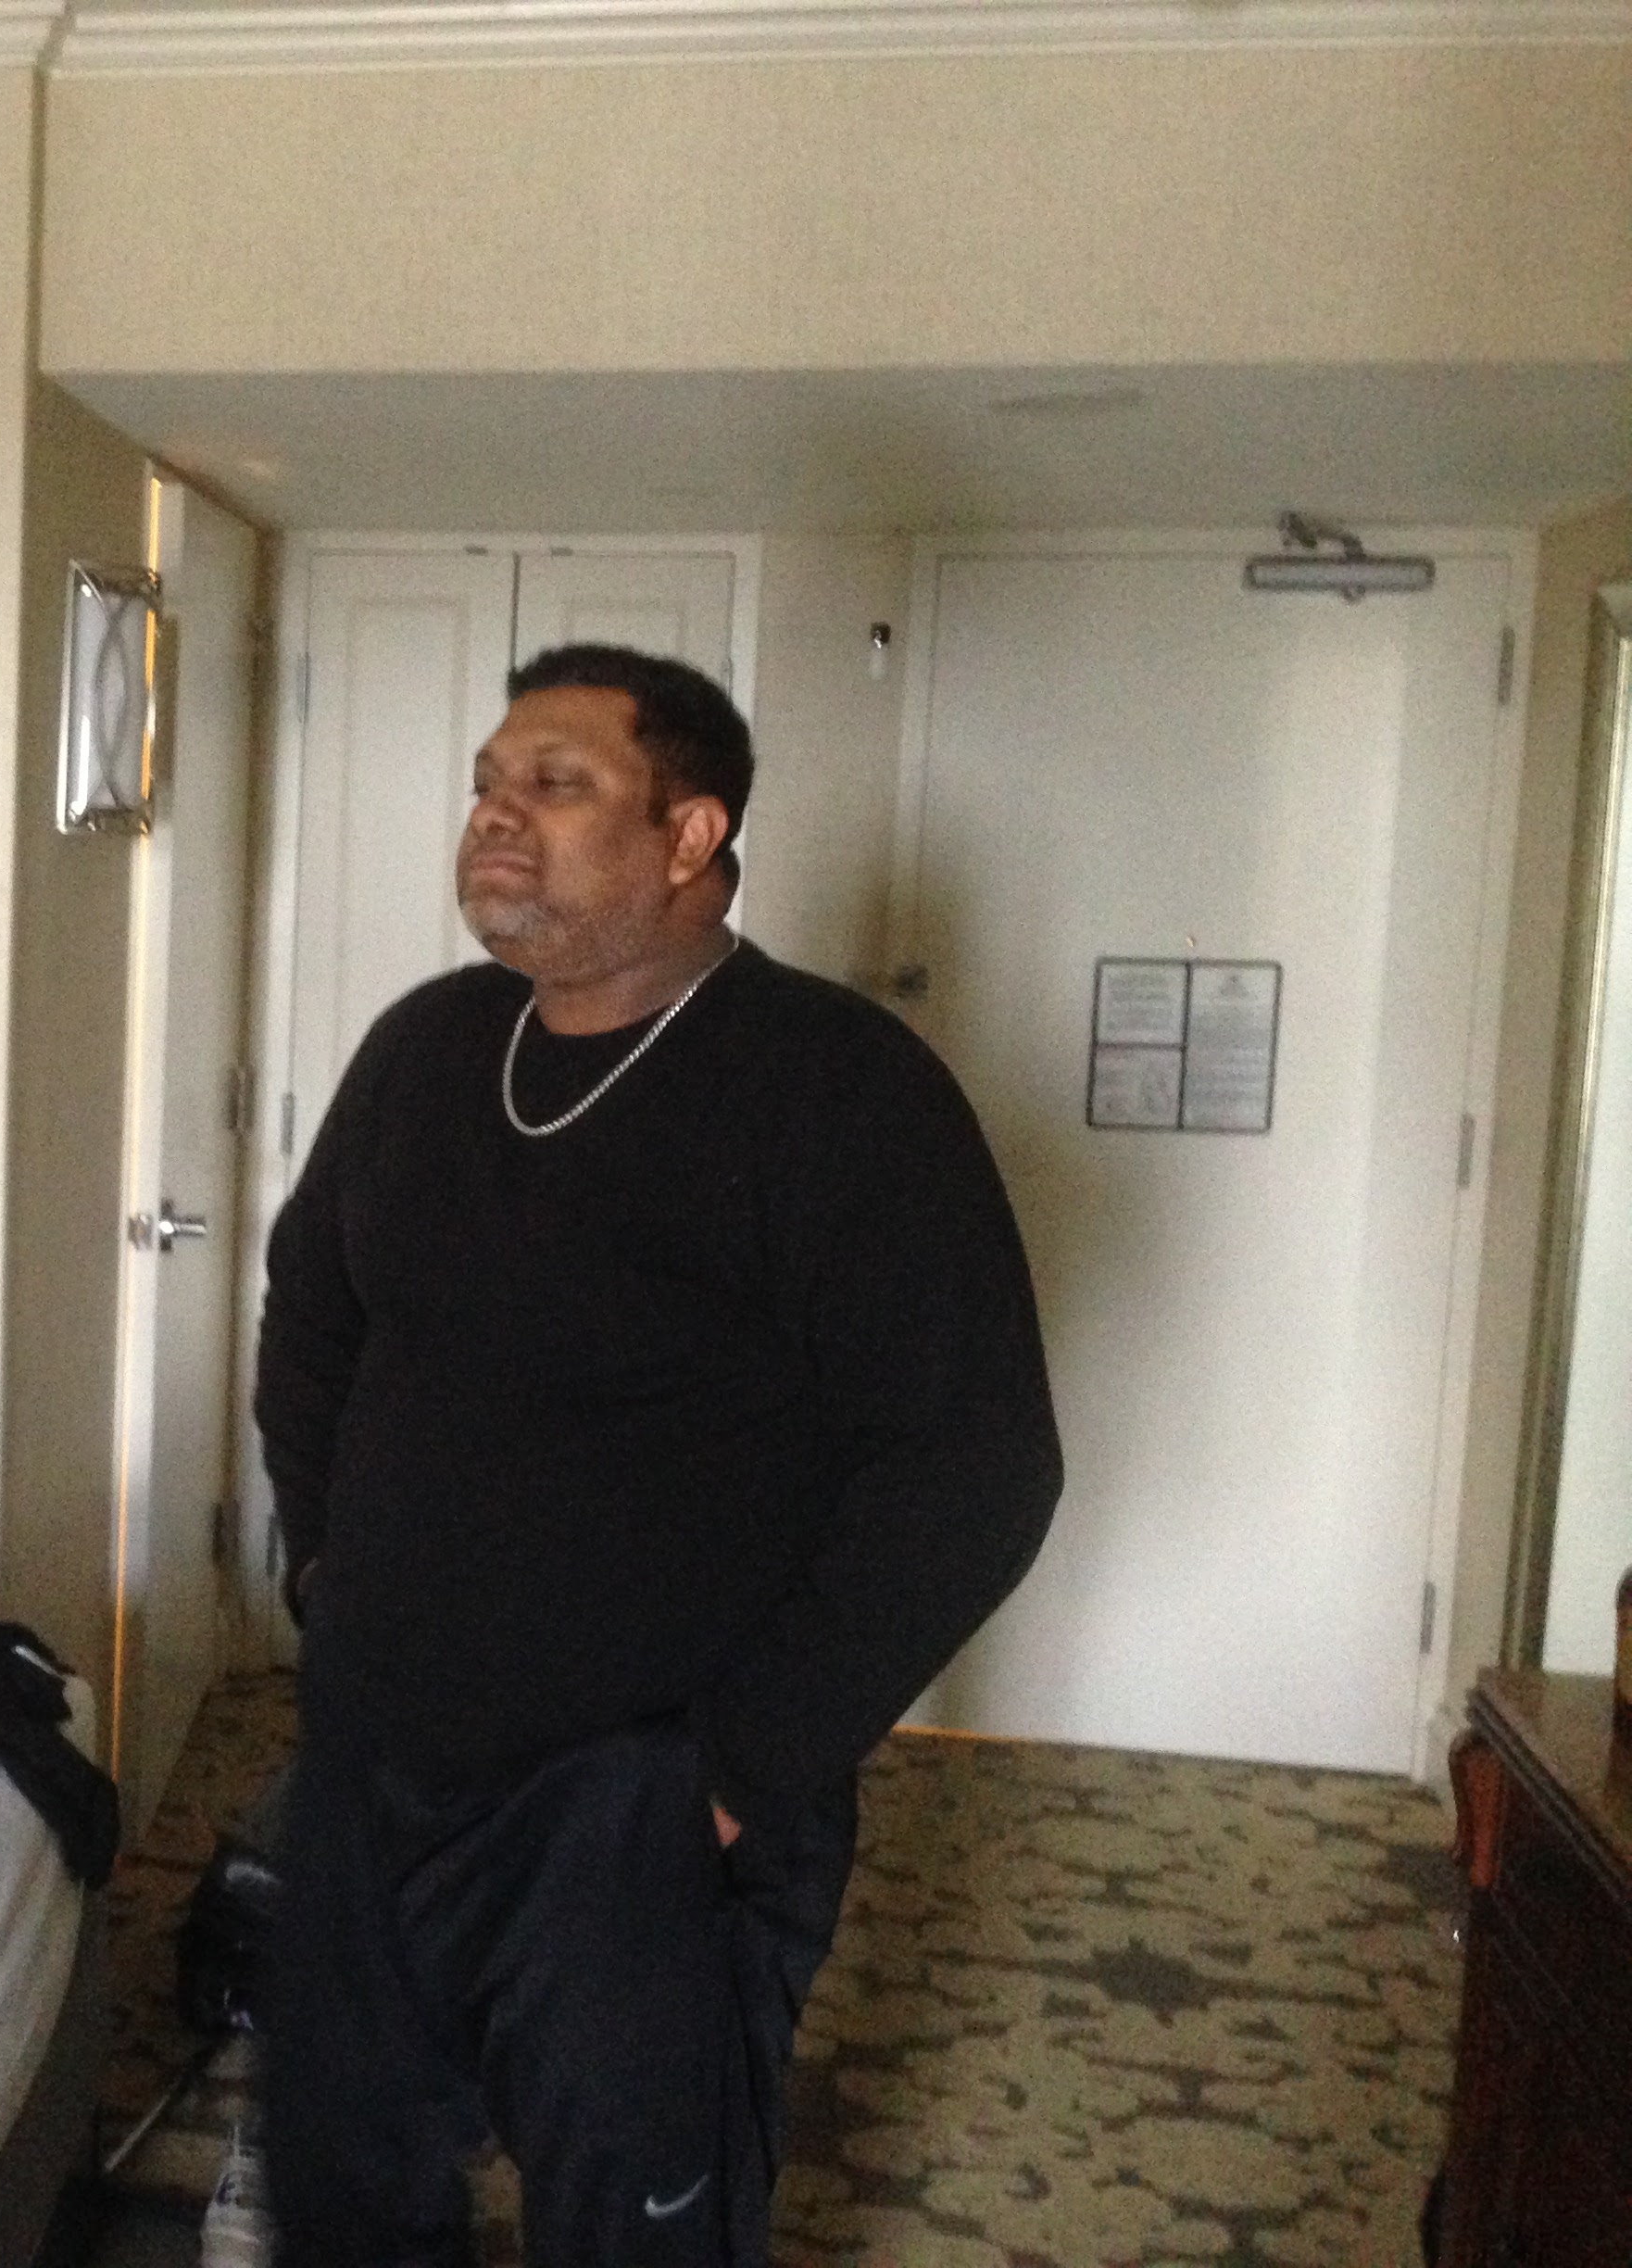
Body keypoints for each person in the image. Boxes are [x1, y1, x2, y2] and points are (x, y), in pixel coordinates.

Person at [252, 642, 1061, 2267]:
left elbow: (972, 1470)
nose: (498, 815)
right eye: (489, 785)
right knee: (342, 2193)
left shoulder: (839, 1092)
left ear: (692, 836)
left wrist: (736, 1777)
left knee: (638, 2227)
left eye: (557, 786)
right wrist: (331, 1573)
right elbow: (313, 1318)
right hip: (371, 1756)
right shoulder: (426, 1049)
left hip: (642, 1798)